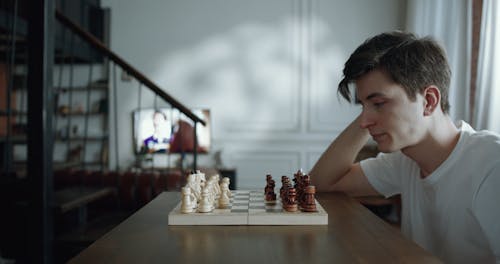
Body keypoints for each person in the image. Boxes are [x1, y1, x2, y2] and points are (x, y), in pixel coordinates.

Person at [310, 31, 499, 263]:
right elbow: (321, 184)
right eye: (363, 106)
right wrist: (372, 112)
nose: (363, 121)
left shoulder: (491, 165)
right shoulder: (405, 160)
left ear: (428, 101)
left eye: (379, 103)